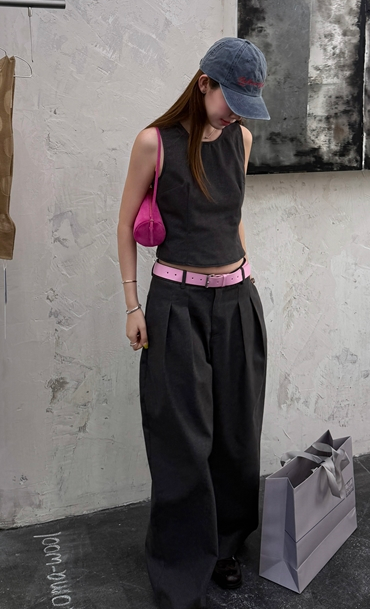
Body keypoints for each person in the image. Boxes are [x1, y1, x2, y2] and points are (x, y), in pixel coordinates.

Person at [117, 37, 270, 609]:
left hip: (236, 301)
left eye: (245, 105)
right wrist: (132, 306)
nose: (235, 115)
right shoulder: (154, 143)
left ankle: (227, 545)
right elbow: (124, 226)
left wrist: (245, 275)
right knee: (181, 440)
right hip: (175, 305)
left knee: (237, 434)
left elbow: (233, 217)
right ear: (204, 82)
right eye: (230, 100)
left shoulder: (241, 140)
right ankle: (180, 564)